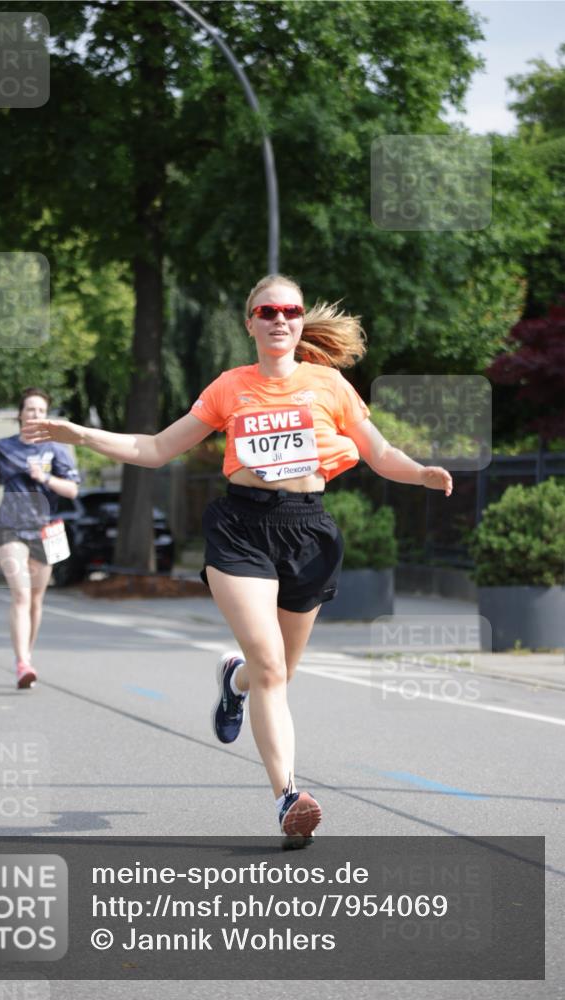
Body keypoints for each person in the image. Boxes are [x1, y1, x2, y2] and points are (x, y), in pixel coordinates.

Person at [23, 275, 452, 843]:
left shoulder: (330, 385)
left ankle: (234, 680)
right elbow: (154, 449)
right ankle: (288, 798)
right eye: (267, 310)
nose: (279, 319)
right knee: (272, 667)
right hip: (241, 530)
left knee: (278, 671)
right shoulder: (230, 387)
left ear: (300, 323)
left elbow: (379, 453)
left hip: (308, 531)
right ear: (249, 322)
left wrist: (420, 472)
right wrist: (79, 434)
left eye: (290, 310)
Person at [0, 388, 80, 689]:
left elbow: (73, 490)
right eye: (30, 410)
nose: (35, 415)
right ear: (20, 414)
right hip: (9, 527)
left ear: (45, 415)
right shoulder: (4, 447)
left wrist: (45, 478)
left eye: (40, 411)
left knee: (37, 600)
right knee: (21, 594)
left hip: (46, 530)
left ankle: (26, 656)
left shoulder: (57, 449)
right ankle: (22, 662)